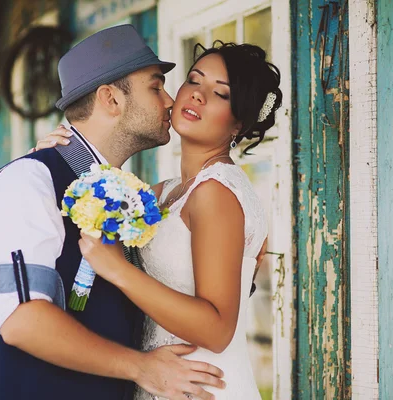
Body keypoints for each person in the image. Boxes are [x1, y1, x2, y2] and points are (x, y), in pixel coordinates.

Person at [0, 25, 225, 400]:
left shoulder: (125, 195)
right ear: (111, 99)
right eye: (155, 87)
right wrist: (142, 367)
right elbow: (22, 321)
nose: (170, 101)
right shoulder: (28, 181)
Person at [36, 41, 282, 399]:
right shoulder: (163, 193)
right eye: (194, 80)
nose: (198, 96)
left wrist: (118, 269)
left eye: (221, 94)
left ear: (238, 122)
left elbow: (217, 330)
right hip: (162, 379)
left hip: (203, 385)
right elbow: (95, 204)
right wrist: (52, 159)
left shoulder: (217, 193)